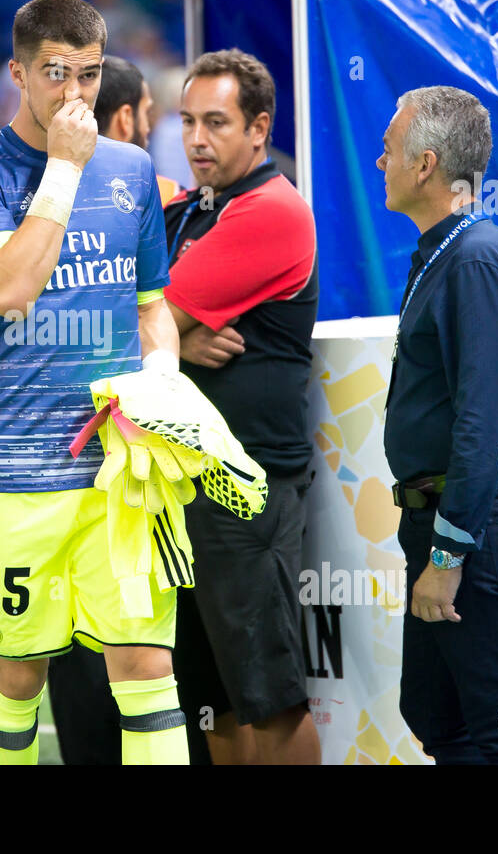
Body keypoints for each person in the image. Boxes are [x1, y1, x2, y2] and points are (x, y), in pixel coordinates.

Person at [0, 0, 186, 766]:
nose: (75, 93)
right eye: (55, 74)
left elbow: (152, 310)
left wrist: (162, 380)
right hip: (12, 476)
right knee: (16, 676)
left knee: (148, 668)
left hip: (120, 475)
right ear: (18, 72)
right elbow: (9, 289)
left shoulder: (134, 172)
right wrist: (66, 170)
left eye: (89, 73)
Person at [377, 85, 498, 764]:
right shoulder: (451, 253)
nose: (377, 161)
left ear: (425, 165)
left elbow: (482, 423)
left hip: (469, 525)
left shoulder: (476, 258)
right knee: (438, 714)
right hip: (446, 519)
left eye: (389, 150)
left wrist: (447, 557)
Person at [152, 49, 320, 764]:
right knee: (213, 698)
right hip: (188, 483)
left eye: (216, 122)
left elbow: (139, 319)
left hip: (243, 489)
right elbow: (132, 323)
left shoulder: (269, 211)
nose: (196, 138)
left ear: (260, 129)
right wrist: (180, 346)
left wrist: (162, 329)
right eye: (188, 120)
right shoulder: (196, 208)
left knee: (270, 697)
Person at [45, 52, 204, 765]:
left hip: (49, 455)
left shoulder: (29, 202)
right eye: (155, 112)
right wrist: (187, 337)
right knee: (147, 654)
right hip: (133, 457)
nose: (166, 128)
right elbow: (170, 304)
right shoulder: (162, 197)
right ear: (124, 118)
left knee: (63, 642)